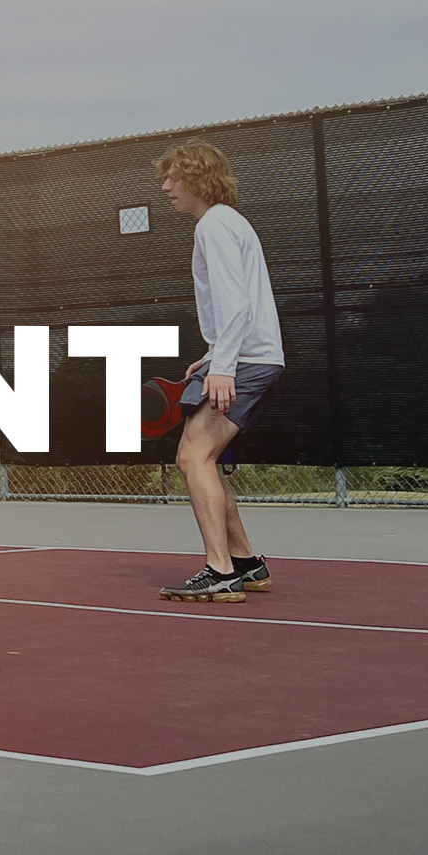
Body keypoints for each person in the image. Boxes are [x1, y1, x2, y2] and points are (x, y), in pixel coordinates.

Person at [155, 139, 286, 603]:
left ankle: (220, 571)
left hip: (246, 361)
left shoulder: (213, 225)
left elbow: (237, 304)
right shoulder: (226, 222)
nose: (166, 186)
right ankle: (246, 563)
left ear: (197, 178)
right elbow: (239, 304)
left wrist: (224, 366)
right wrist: (213, 356)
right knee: (201, 457)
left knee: (193, 458)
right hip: (249, 357)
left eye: (174, 177)